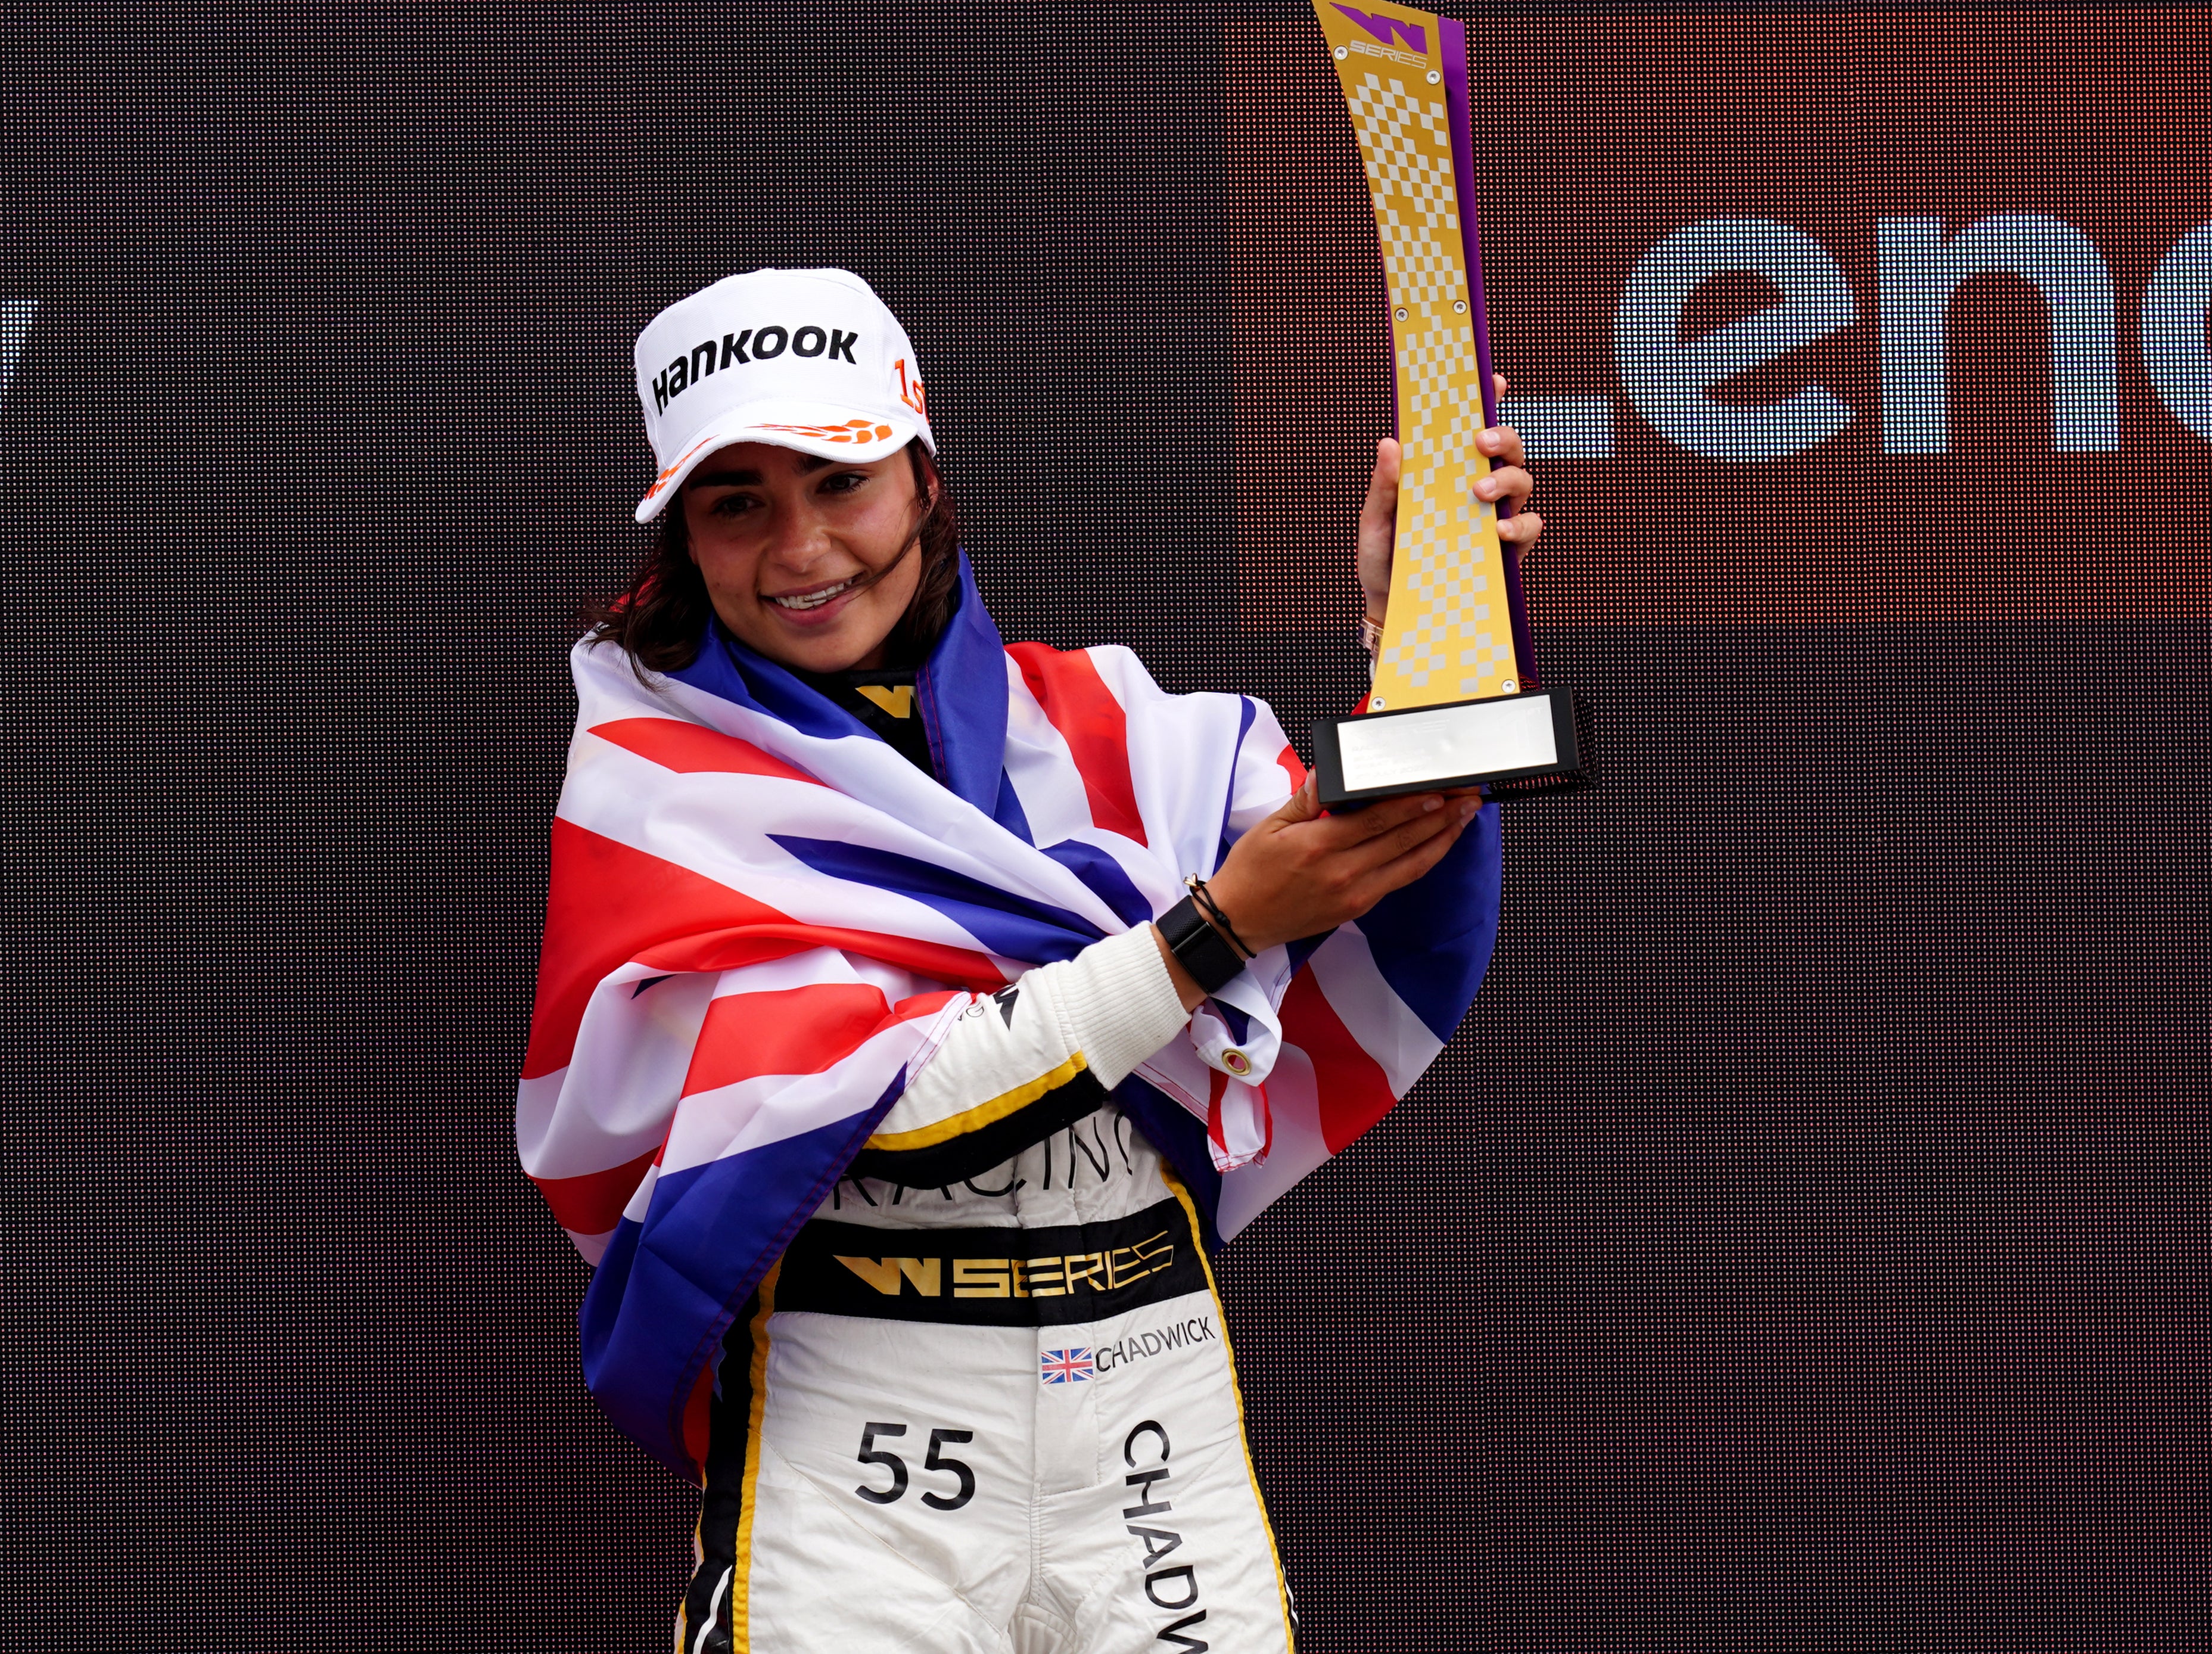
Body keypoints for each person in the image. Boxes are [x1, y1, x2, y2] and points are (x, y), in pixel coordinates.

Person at [521, 267, 1541, 1653]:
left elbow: (1387, 894)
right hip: (859, 1431)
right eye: (737, 501)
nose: (802, 547)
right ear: (685, 537)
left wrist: (1422, 625)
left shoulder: (1116, 722)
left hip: (1147, 1397)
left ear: (924, 479)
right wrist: (1209, 932)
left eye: (840, 481)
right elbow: (889, 1121)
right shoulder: (665, 786)